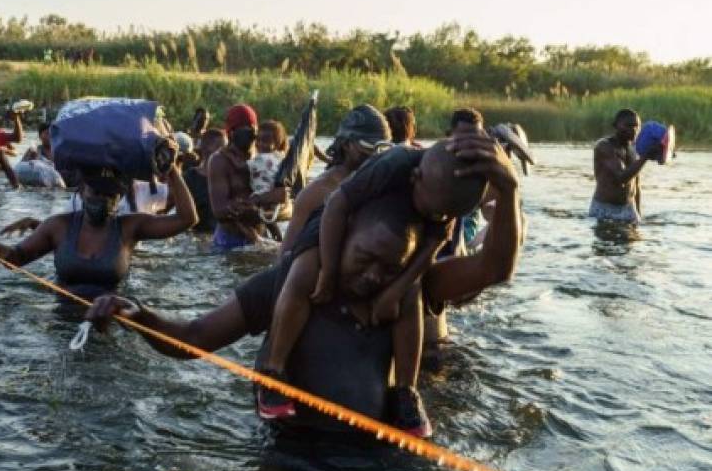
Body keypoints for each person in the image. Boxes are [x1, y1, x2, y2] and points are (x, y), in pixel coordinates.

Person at [87, 133, 520, 437]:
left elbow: (495, 267)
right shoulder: (286, 284)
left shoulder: (411, 290)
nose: (373, 276)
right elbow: (194, 337)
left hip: (381, 470)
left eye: (389, 269)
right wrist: (136, 315)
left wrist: (508, 189)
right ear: (343, 235)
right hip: (292, 461)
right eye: (365, 260)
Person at [258, 140, 488, 433]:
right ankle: (274, 371)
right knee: (304, 271)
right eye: (430, 209)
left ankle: (405, 393)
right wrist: (328, 271)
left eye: (442, 215)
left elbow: (433, 244)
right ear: (415, 178)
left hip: (397, 242)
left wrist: (396, 290)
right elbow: (337, 206)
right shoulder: (393, 164)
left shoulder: (445, 204)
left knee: (411, 294)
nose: (434, 217)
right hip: (341, 222)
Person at [0, 161, 198, 302]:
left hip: (111, 318)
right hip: (62, 320)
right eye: (96, 192)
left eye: (110, 195)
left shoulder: (130, 228)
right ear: (81, 191)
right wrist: (3, 252)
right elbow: (18, 258)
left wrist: (172, 171)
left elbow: (187, 219)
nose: (102, 199)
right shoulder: (58, 226)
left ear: (119, 198)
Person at [279, 104, 392, 255]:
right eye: (369, 147)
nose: (375, 156)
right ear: (346, 144)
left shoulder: (384, 182)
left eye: (382, 149)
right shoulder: (316, 193)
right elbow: (286, 256)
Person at [207, 104, 287, 250]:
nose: (249, 134)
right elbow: (219, 211)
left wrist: (270, 203)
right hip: (230, 242)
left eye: (251, 130)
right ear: (231, 133)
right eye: (243, 130)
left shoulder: (264, 157)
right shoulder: (219, 160)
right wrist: (257, 202)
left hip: (261, 237)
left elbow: (286, 204)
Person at [590, 109, 659, 223]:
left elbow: (636, 185)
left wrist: (638, 214)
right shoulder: (604, 147)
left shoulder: (634, 149)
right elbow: (622, 178)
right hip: (605, 209)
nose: (633, 130)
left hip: (628, 209)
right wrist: (645, 156)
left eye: (637, 126)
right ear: (616, 126)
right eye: (628, 126)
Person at [247, 120, 291, 241]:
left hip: (263, 193)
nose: (260, 144)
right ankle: (277, 236)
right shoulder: (280, 157)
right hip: (271, 197)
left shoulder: (265, 158)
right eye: (258, 140)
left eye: (265, 141)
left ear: (277, 143)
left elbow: (248, 166)